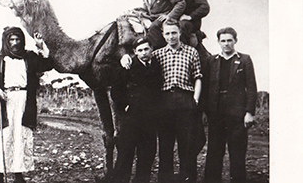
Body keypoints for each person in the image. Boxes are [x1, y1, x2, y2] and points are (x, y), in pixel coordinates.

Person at [0, 27, 53, 183]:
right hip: (5, 100)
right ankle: (0, 174)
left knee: (21, 136)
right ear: (6, 41)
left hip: (25, 101)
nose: (15, 43)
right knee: (5, 136)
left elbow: (47, 64)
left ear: (22, 41)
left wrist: (40, 45)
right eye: (11, 40)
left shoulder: (29, 57)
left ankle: (18, 174)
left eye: (17, 40)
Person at [202, 27, 257, 183]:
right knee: (214, 152)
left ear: (235, 41)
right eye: (223, 41)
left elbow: (251, 88)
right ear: (218, 42)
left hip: (237, 114)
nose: (226, 44)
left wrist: (249, 112)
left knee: (237, 153)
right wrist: (206, 111)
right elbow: (206, 87)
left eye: (229, 40)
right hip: (216, 113)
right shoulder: (211, 61)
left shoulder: (244, 59)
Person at [153, 20, 202, 183]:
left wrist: (195, 98)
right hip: (164, 101)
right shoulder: (157, 54)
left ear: (180, 33)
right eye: (167, 33)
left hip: (185, 100)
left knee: (187, 146)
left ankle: (187, 179)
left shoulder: (191, 52)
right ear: (163, 35)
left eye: (174, 32)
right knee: (165, 146)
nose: (171, 36)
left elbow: (198, 77)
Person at [110, 37, 162, 183]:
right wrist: (126, 106)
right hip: (132, 117)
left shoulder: (157, 66)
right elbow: (116, 91)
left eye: (146, 49)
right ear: (135, 52)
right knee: (126, 152)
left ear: (151, 49)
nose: (144, 53)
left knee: (147, 154)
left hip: (151, 118)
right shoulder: (128, 66)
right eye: (140, 50)